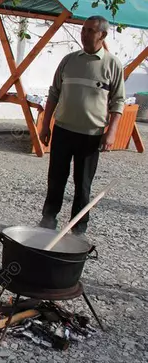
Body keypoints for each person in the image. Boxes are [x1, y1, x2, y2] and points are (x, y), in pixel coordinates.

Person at [38, 15, 125, 236]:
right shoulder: (69, 60)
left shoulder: (112, 64)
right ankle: (48, 220)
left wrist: (111, 132)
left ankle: (78, 228)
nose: (84, 34)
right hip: (63, 130)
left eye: (90, 31)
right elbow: (53, 93)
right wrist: (45, 125)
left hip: (90, 134)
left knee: (83, 184)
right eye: (83, 29)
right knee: (56, 179)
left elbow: (118, 101)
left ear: (102, 35)